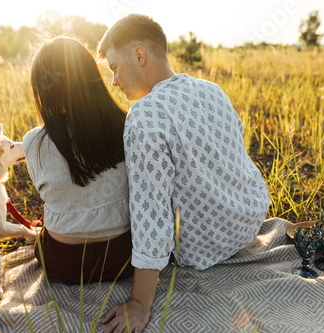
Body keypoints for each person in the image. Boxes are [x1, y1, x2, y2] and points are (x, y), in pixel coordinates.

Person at [97, 14, 271, 332]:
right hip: (251, 218)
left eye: (113, 68)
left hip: (207, 248)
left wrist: (139, 304)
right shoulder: (212, 89)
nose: (114, 81)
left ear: (139, 55)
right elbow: (237, 156)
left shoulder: (145, 113)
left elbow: (151, 215)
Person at [24, 36, 134, 284]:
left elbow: (51, 194)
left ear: (42, 89)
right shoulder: (127, 125)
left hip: (64, 264)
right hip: (123, 259)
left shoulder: (34, 141)